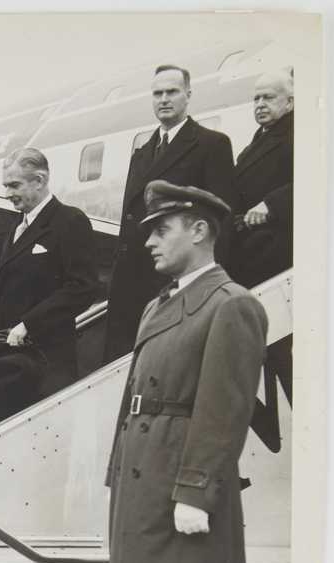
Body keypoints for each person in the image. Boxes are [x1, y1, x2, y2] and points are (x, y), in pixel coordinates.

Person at [89, 181, 268, 563]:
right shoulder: (160, 303)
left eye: (161, 229)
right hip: (143, 468)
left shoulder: (231, 304)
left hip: (182, 472)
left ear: (199, 230)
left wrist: (196, 490)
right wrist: (117, 466)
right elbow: (134, 397)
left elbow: (225, 410)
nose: (150, 242)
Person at [102, 64, 235, 362]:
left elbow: (221, 221)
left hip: (173, 279)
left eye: (172, 92)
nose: (163, 99)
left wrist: (207, 282)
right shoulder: (141, 153)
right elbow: (129, 221)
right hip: (130, 282)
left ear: (188, 95)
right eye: (157, 93)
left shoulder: (211, 145)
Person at [0, 148, 97, 437]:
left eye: (14, 185)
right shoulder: (16, 228)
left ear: (39, 180)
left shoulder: (69, 221)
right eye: (6, 186)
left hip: (41, 365)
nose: (7, 194)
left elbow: (83, 288)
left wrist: (29, 324)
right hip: (3, 363)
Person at [231, 69, 294, 288]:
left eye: (268, 97)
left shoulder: (299, 134)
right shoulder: (257, 141)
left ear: (290, 102)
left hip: (277, 248)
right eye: (256, 98)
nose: (260, 104)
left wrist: (271, 204)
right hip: (251, 243)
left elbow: (316, 180)